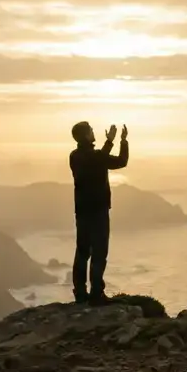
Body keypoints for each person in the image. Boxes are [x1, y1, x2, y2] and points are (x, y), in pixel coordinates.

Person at [69, 121, 129, 305]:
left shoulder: (74, 156)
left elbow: (117, 162)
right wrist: (114, 141)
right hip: (98, 211)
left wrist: (121, 141)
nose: (94, 132)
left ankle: (80, 294)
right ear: (86, 135)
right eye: (91, 131)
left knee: (82, 252)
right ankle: (96, 294)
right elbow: (113, 161)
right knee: (99, 253)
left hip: (82, 211)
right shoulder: (89, 157)